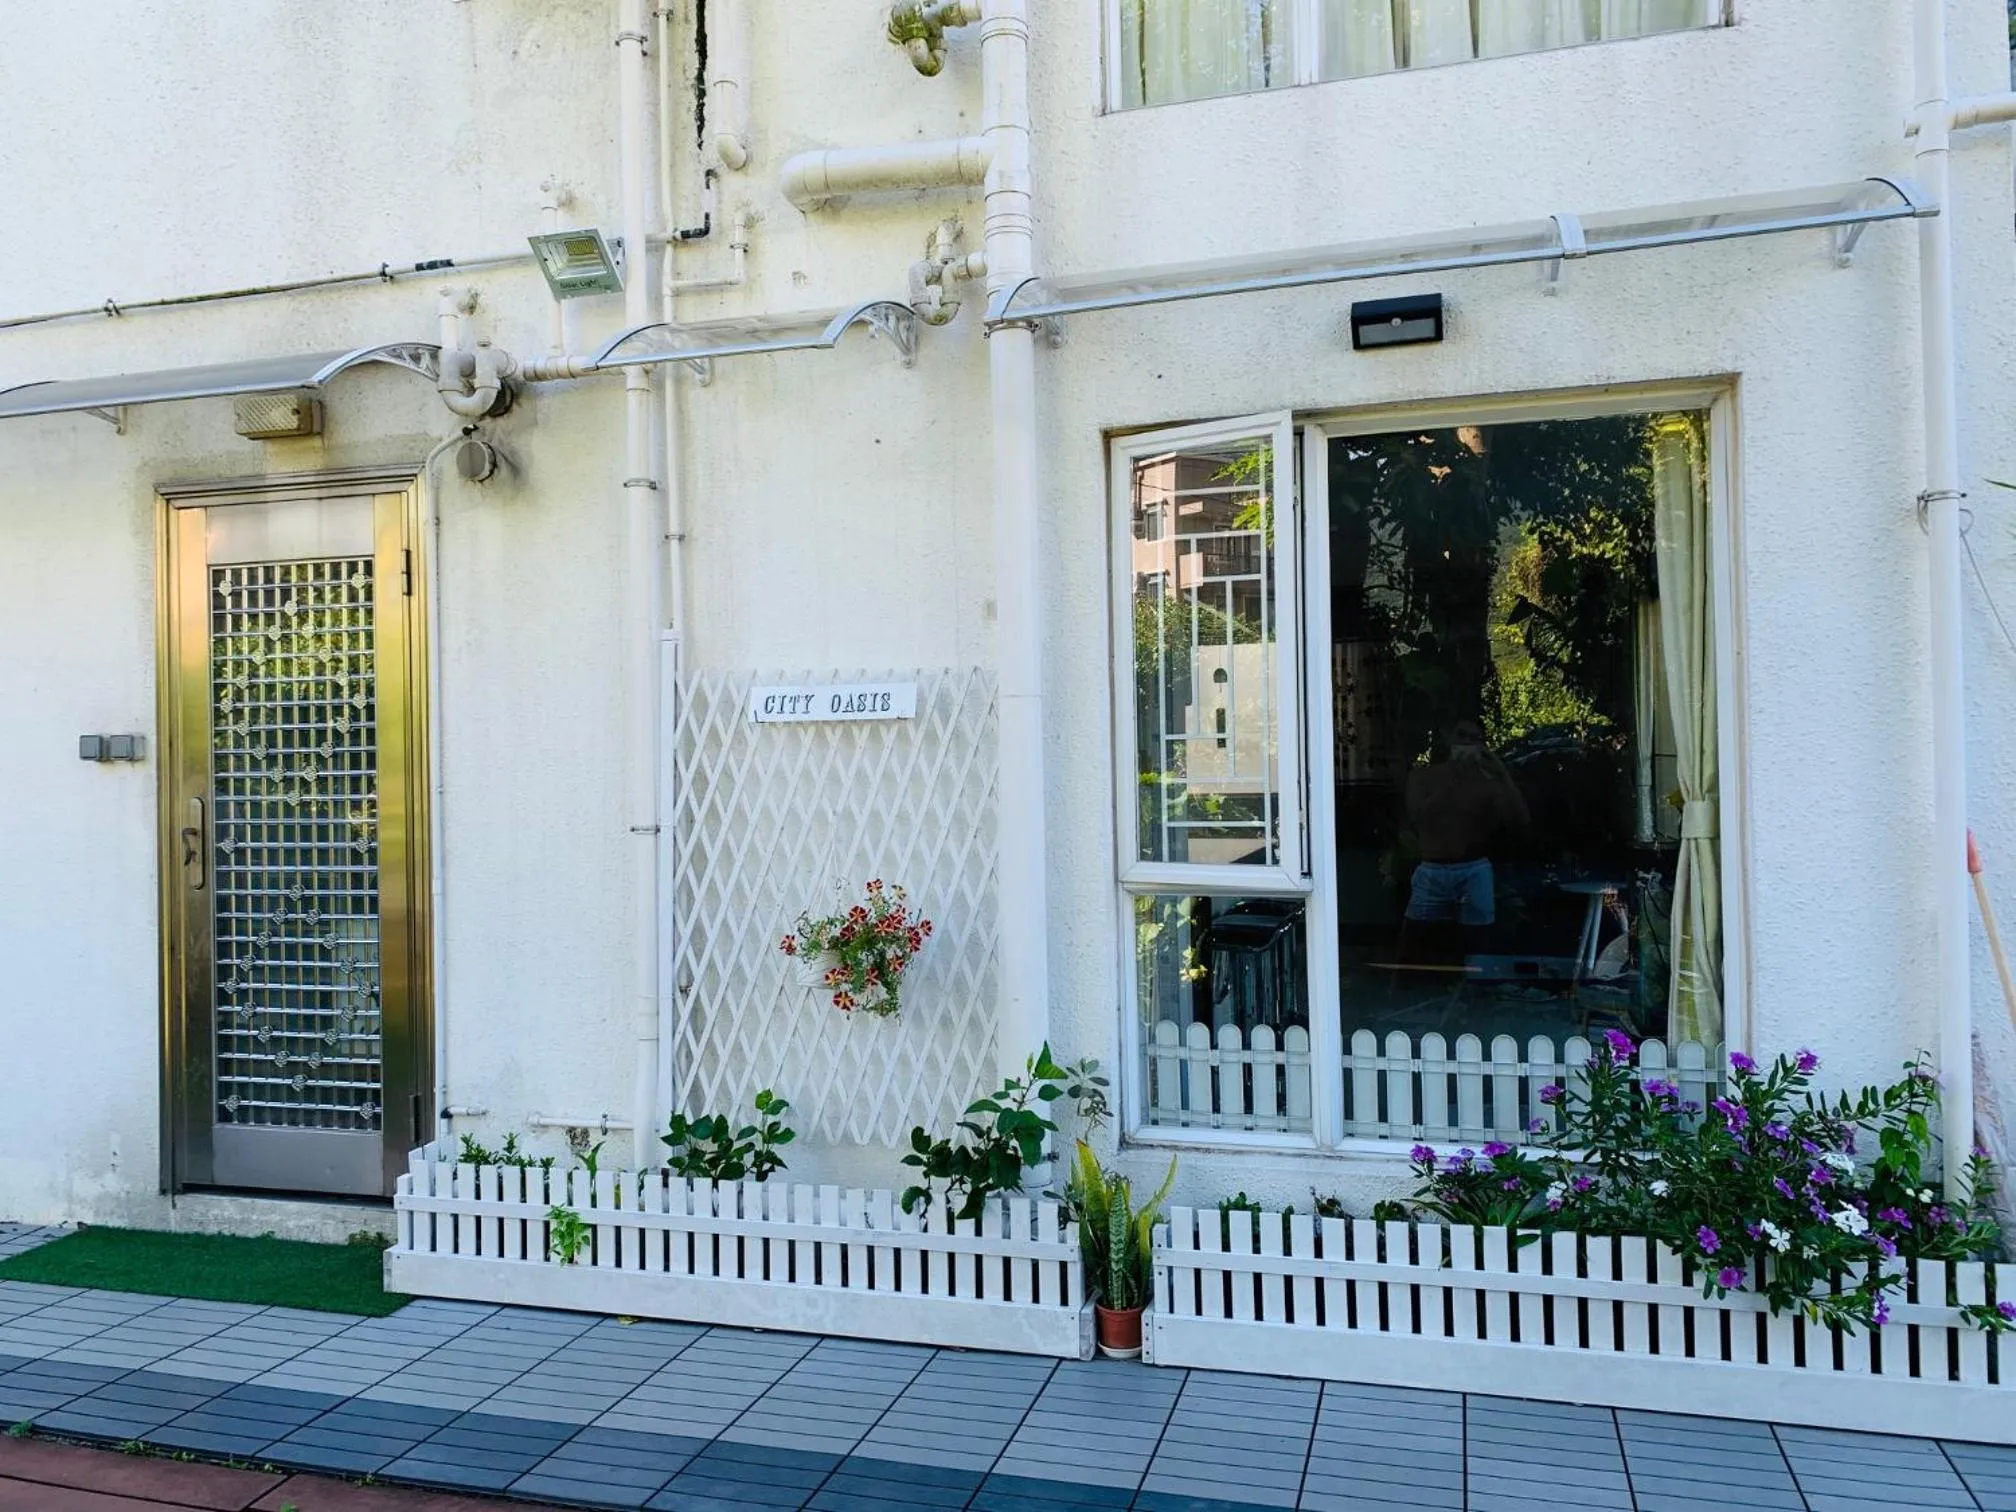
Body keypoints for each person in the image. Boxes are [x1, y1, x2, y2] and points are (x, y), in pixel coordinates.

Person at [1399, 719, 1528, 968]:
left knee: (1479, 938)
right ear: (1449, 738)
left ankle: (1476, 990)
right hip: (1432, 867)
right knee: (1416, 933)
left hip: (1473, 868)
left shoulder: (1486, 783)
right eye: (1462, 736)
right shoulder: (1423, 776)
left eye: (1474, 739)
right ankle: (1404, 985)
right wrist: (1454, 780)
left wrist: (1501, 773)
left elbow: (1520, 818)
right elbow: (1418, 816)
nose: (1467, 743)